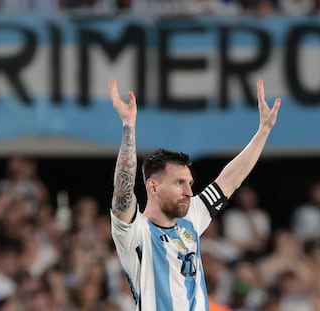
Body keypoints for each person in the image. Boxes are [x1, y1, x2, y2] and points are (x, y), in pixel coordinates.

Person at [108, 78, 281, 310]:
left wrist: (263, 131)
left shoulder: (191, 217)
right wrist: (128, 126)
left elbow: (230, 179)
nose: (189, 191)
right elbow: (123, 189)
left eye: (189, 183)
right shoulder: (135, 233)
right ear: (153, 187)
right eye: (180, 183)